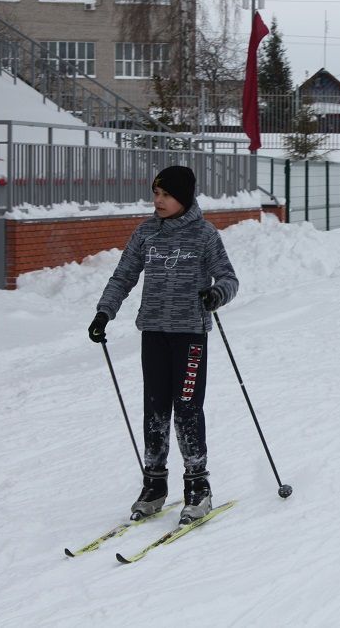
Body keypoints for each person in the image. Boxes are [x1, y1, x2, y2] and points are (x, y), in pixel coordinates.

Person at [87, 165, 239, 524]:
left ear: (183, 198)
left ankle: (198, 487)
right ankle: (154, 485)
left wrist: (216, 294)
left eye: (166, 195)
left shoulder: (204, 235)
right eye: (156, 193)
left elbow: (229, 278)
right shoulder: (146, 234)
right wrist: (103, 313)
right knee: (155, 410)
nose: (157, 200)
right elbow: (123, 275)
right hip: (153, 332)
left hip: (190, 335)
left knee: (187, 409)